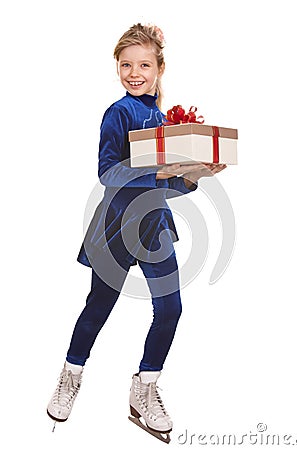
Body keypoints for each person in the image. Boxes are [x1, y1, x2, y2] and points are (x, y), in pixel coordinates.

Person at [47, 23, 226, 441]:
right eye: (126, 64)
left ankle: (145, 386)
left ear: (159, 68)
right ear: (117, 68)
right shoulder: (119, 112)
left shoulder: (162, 119)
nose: (134, 72)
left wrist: (196, 174)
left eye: (144, 64)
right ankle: (71, 375)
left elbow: (166, 184)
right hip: (116, 227)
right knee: (99, 307)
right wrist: (158, 170)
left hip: (154, 228)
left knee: (170, 309)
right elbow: (108, 172)